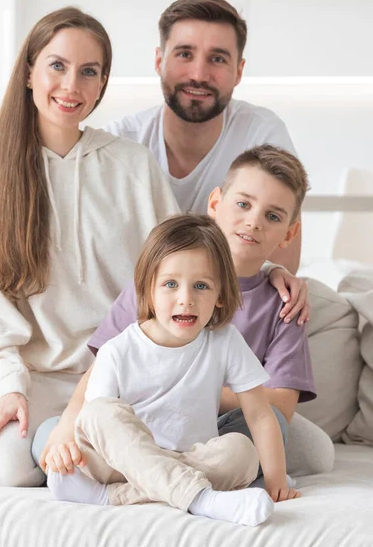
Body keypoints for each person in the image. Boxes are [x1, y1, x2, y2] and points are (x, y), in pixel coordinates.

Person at [0, 6, 180, 488]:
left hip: (121, 376)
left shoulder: (131, 165)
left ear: (102, 83)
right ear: (29, 72)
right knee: (3, 471)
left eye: (89, 72)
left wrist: (267, 268)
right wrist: (7, 388)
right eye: (57, 66)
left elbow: (182, 260)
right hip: (35, 378)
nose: (72, 86)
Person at [37, 146, 332, 482]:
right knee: (52, 436)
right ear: (215, 203)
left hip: (210, 432)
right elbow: (102, 368)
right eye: (243, 204)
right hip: (136, 419)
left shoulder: (285, 302)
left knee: (278, 429)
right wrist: (67, 424)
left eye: (273, 216)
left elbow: (278, 406)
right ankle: (174, 478)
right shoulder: (157, 278)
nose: (253, 221)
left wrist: (190, 386)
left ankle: (149, 476)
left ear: (289, 233)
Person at [47, 214, 300, 527]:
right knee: (100, 412)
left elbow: (260, 414)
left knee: (241, 452)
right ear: (148, 290)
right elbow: (99, 427)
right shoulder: (118, 349)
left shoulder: (225, 341)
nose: (186, 299)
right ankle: (202, 500)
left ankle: (111, 497)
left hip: (193, 459)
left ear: (221, 295)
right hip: (120, 463)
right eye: (170, 284)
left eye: (201, 286)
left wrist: (276, 481)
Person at [105, 0, 302, 274]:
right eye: (185, 54)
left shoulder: (262, 133)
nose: (198, 73)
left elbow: (281, 270)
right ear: (159, 60)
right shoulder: (120, 142)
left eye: (217, 59)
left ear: (239, 71)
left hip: (236, 305)